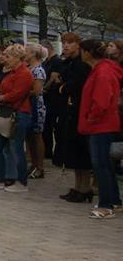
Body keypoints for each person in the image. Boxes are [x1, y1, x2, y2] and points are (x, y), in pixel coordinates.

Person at [77, 39, 123, 219]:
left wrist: (91, 117)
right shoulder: (101, 70)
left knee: (101, 164)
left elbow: (101, 101)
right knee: (105, 164)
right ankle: (114, 200)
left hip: (101, 125)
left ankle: (106, 205)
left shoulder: (103, 72)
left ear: (87, 53)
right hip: (101, 123)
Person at [0, 44, 33, 192]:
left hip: (18, 114)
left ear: (17, 58)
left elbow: (17, 94)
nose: (5, 59)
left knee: (16, 148)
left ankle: (21, 182)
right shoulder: (11, 72)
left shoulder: (24, 73)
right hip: (5, 112)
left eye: (8, 56)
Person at [53, 33, 94, 203]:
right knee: (73, 152)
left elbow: (73, 85)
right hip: (68, 112)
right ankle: (78, 186)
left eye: (70, 43)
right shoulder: (68, 63)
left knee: (80, 152)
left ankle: (85, 188)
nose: (66, 46)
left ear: (78, 45)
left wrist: (63, 88)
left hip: (78, 111)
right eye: (64, 42)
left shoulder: (81, 65)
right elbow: (60, 79)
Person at [24, 43, 48, 179]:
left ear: (33, 54)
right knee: (29, 137)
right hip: (27, 105)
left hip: (36, 106)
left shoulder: (38, 70)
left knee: (37, 136)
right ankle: (32, 164)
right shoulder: (29, 68)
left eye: (26, 51)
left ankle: (40, 166)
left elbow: (37, 91)